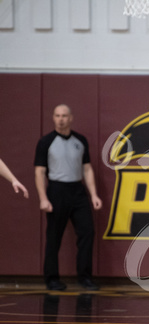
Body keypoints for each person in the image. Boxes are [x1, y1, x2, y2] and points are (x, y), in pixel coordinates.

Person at [34, 104, 102, 291]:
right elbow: (39, 172)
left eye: (64, 115)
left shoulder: (80, 140)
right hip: (56, 190)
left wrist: (94, 195)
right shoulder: (45, 142)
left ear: (71, 118)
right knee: (54, 236)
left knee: (87, 232)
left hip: (78, 191)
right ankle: (52, 279)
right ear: (53, 118)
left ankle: (85, 277)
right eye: (57, 115)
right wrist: (43, 198)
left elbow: (87, 168)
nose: (61, 119)